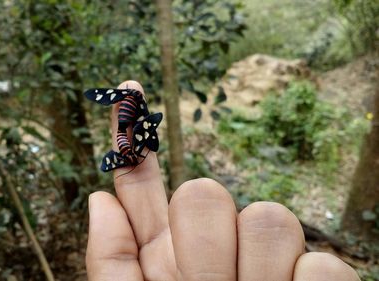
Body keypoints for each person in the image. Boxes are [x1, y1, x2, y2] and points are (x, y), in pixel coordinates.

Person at [85, 80, 361, 281]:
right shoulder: (137, 125)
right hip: (130, 143)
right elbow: (144, 123)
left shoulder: (131, 121)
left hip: (129, 143)